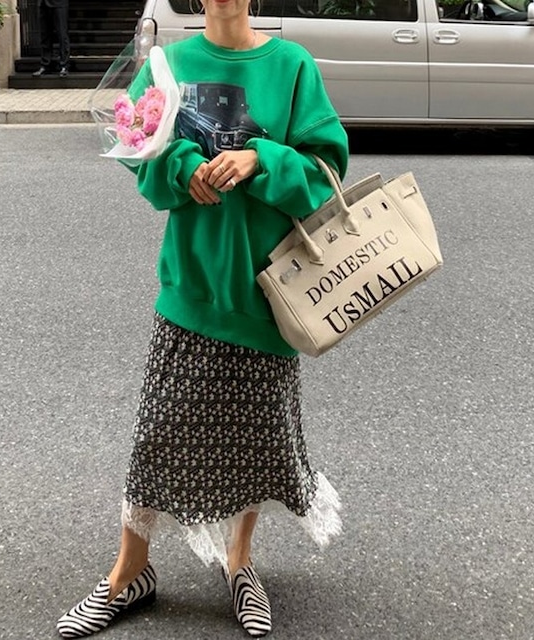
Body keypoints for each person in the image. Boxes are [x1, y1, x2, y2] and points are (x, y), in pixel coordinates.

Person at [56, 0, 349, 637]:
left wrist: (260, 159)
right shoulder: (170, 63)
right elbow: (138, 155)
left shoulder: (291, 65)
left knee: (253, 440)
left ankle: (239, 565)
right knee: (158, 435)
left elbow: (326, 169)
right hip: (190, 282)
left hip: (267, 290)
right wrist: (182, 167)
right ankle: (130, 571)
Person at [32, 0, 70, 78]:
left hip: (59, 3)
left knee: (62, 35)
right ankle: (45, 64)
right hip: (43, 3)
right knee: (45, 35)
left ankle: (64, 65)